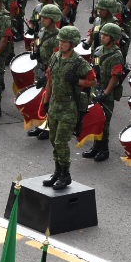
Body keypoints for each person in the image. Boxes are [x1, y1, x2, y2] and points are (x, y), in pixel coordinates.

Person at [43, 25, 94, 189]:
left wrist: (77, 81)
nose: (62, 44)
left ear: (72, 43)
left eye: (65, 41)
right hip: (54, 104)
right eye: (61, 41)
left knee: (61, 142)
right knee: (53, 140)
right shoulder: (55, 57)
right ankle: (57, 171)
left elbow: (93, 81)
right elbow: (50, 79)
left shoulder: (79, 62)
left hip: (68, 106)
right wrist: (45, 101)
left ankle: (66, 175)